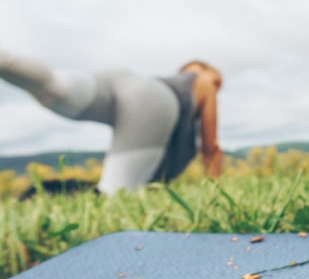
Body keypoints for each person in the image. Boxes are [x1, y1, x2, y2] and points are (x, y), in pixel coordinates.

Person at [0, 50, 223, 193]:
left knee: (52, 85)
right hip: (152, 101)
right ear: (202, 69)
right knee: (115, 194)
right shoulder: (204, 79)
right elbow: (210, 147)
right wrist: (214, 191)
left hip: (120, 80)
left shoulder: (170, 81)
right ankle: (46, 191)